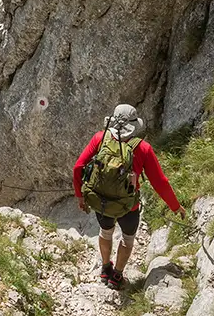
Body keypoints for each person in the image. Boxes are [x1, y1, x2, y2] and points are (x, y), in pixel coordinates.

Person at [73, 104, 181, 289]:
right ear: (133, 125)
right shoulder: (143, 148)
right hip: (128, 205)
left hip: (101, 200)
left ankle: (105, 268)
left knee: (105, 232)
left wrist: (80, 196)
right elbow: (160, 182)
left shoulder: (100, 138)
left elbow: (78, 167)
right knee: (127, 239)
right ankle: (117, 276)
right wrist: (175, 206)